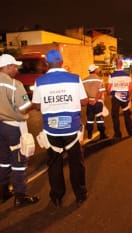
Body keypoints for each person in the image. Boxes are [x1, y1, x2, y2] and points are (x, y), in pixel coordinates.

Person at [32, 49, 88, 207]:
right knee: (76, 163)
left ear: (46, 64)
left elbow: (36, 105)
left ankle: (56, 196)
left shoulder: (40, 81)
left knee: (54, 164)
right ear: (62, 62)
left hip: (52, 130)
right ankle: (80, 194)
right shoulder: (75, 78)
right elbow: (84, 101)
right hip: (72, 130)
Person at [0, 54, 39, 207]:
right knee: (19, 161)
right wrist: (33, 104)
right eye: (14, 66)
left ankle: (3, 192)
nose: (17, 68)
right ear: (7, 67)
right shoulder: (15, 84)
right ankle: (20, 196)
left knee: (4, 161)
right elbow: (23, 108)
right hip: (14, 127)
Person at [107, 59, 132, 138]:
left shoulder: (112, 75)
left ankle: (118, 134)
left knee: (115, 116)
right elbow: (131, 87)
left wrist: (109, 95)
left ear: (116, 65)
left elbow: (108, 88)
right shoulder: (127, 75)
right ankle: (130, 131)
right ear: (122, 65)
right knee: (127, 114)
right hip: (125, 96)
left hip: (115, 96)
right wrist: (128, 96)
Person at [82, 64, 108, 140]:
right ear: (95, 70)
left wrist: (89, 100)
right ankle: (102, 134)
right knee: (99, 119)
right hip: (98, 102)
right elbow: (101, 92)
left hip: (89, 103)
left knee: (90, 119)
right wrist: (96, 100)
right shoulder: (99, 79)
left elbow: (83, 93)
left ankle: (89, 134)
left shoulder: (84, 80)